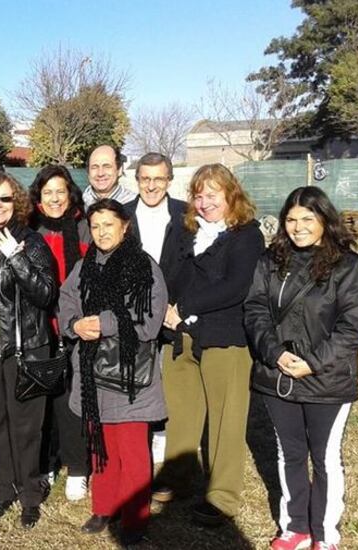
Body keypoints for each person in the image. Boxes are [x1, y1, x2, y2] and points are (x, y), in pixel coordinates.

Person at [245, 187, 358, 550]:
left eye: (307, 219)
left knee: (325, 457)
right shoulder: (270, 261)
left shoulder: (349, 267)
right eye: (291, 220)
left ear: (324, 220)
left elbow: (354, 327)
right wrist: (275, 355)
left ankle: (325, 534)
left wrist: (313, 363)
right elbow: (254, 310)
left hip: (327, 380)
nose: (298, 227)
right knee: (289, 453)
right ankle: (295, 528)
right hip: (277, 376)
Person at [155, 163, 265, 526]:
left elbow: (236, 286)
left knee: (225, 421)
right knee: (181, 413)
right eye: (199, 196)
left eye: (212, 195)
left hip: (224, 339)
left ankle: (221, 497)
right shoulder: (185, 231)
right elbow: (170, 273)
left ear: (231, 195)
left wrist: (184, 307)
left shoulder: (246, 236)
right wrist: (167, 310)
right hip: (181, 338)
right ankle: (178, 477)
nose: (204, 203)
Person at [59, 199, 168, 547]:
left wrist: (101, 323)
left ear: (125, 226)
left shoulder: (143, 266)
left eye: (109, 225)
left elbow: (149, 322)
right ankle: (104, 507)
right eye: (96, 226)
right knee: (100, 444)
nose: (102, 232)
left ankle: (134, 518)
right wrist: (75, 324)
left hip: (130, 374)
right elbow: (67, 300)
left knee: (132, 449)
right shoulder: (86, 265)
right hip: (93, 370)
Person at [0, 172, 59, 528]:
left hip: (22, 348)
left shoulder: (30, 241)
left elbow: (46, 293)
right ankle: (5, 489)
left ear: (16, 202)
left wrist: (18, 260)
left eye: (5, 199)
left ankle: (31, 494)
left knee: (26, 425)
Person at [27, 164, 91, 502]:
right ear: (38, 195)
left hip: (76, 326)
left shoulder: (82, 226)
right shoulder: (28, 226)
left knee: (72, 400)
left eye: (60, 191)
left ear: (70, 194)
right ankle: (47, 461)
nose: (54, 198)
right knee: (44, 400)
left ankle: (78, 468)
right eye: (47, 192)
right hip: (40, 327)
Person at [127, 152, 189, 464]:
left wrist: (178, 306)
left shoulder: (186, 215)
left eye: (158, 179)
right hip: (133, 315)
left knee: (168, 381)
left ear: (169, 181)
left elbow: (196, 265)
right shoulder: (123, 215)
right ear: (136, 180)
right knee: (138, 380)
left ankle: (164, 439)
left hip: (172, 314)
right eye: (145, 179)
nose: (151, 186)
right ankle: (139, 436)